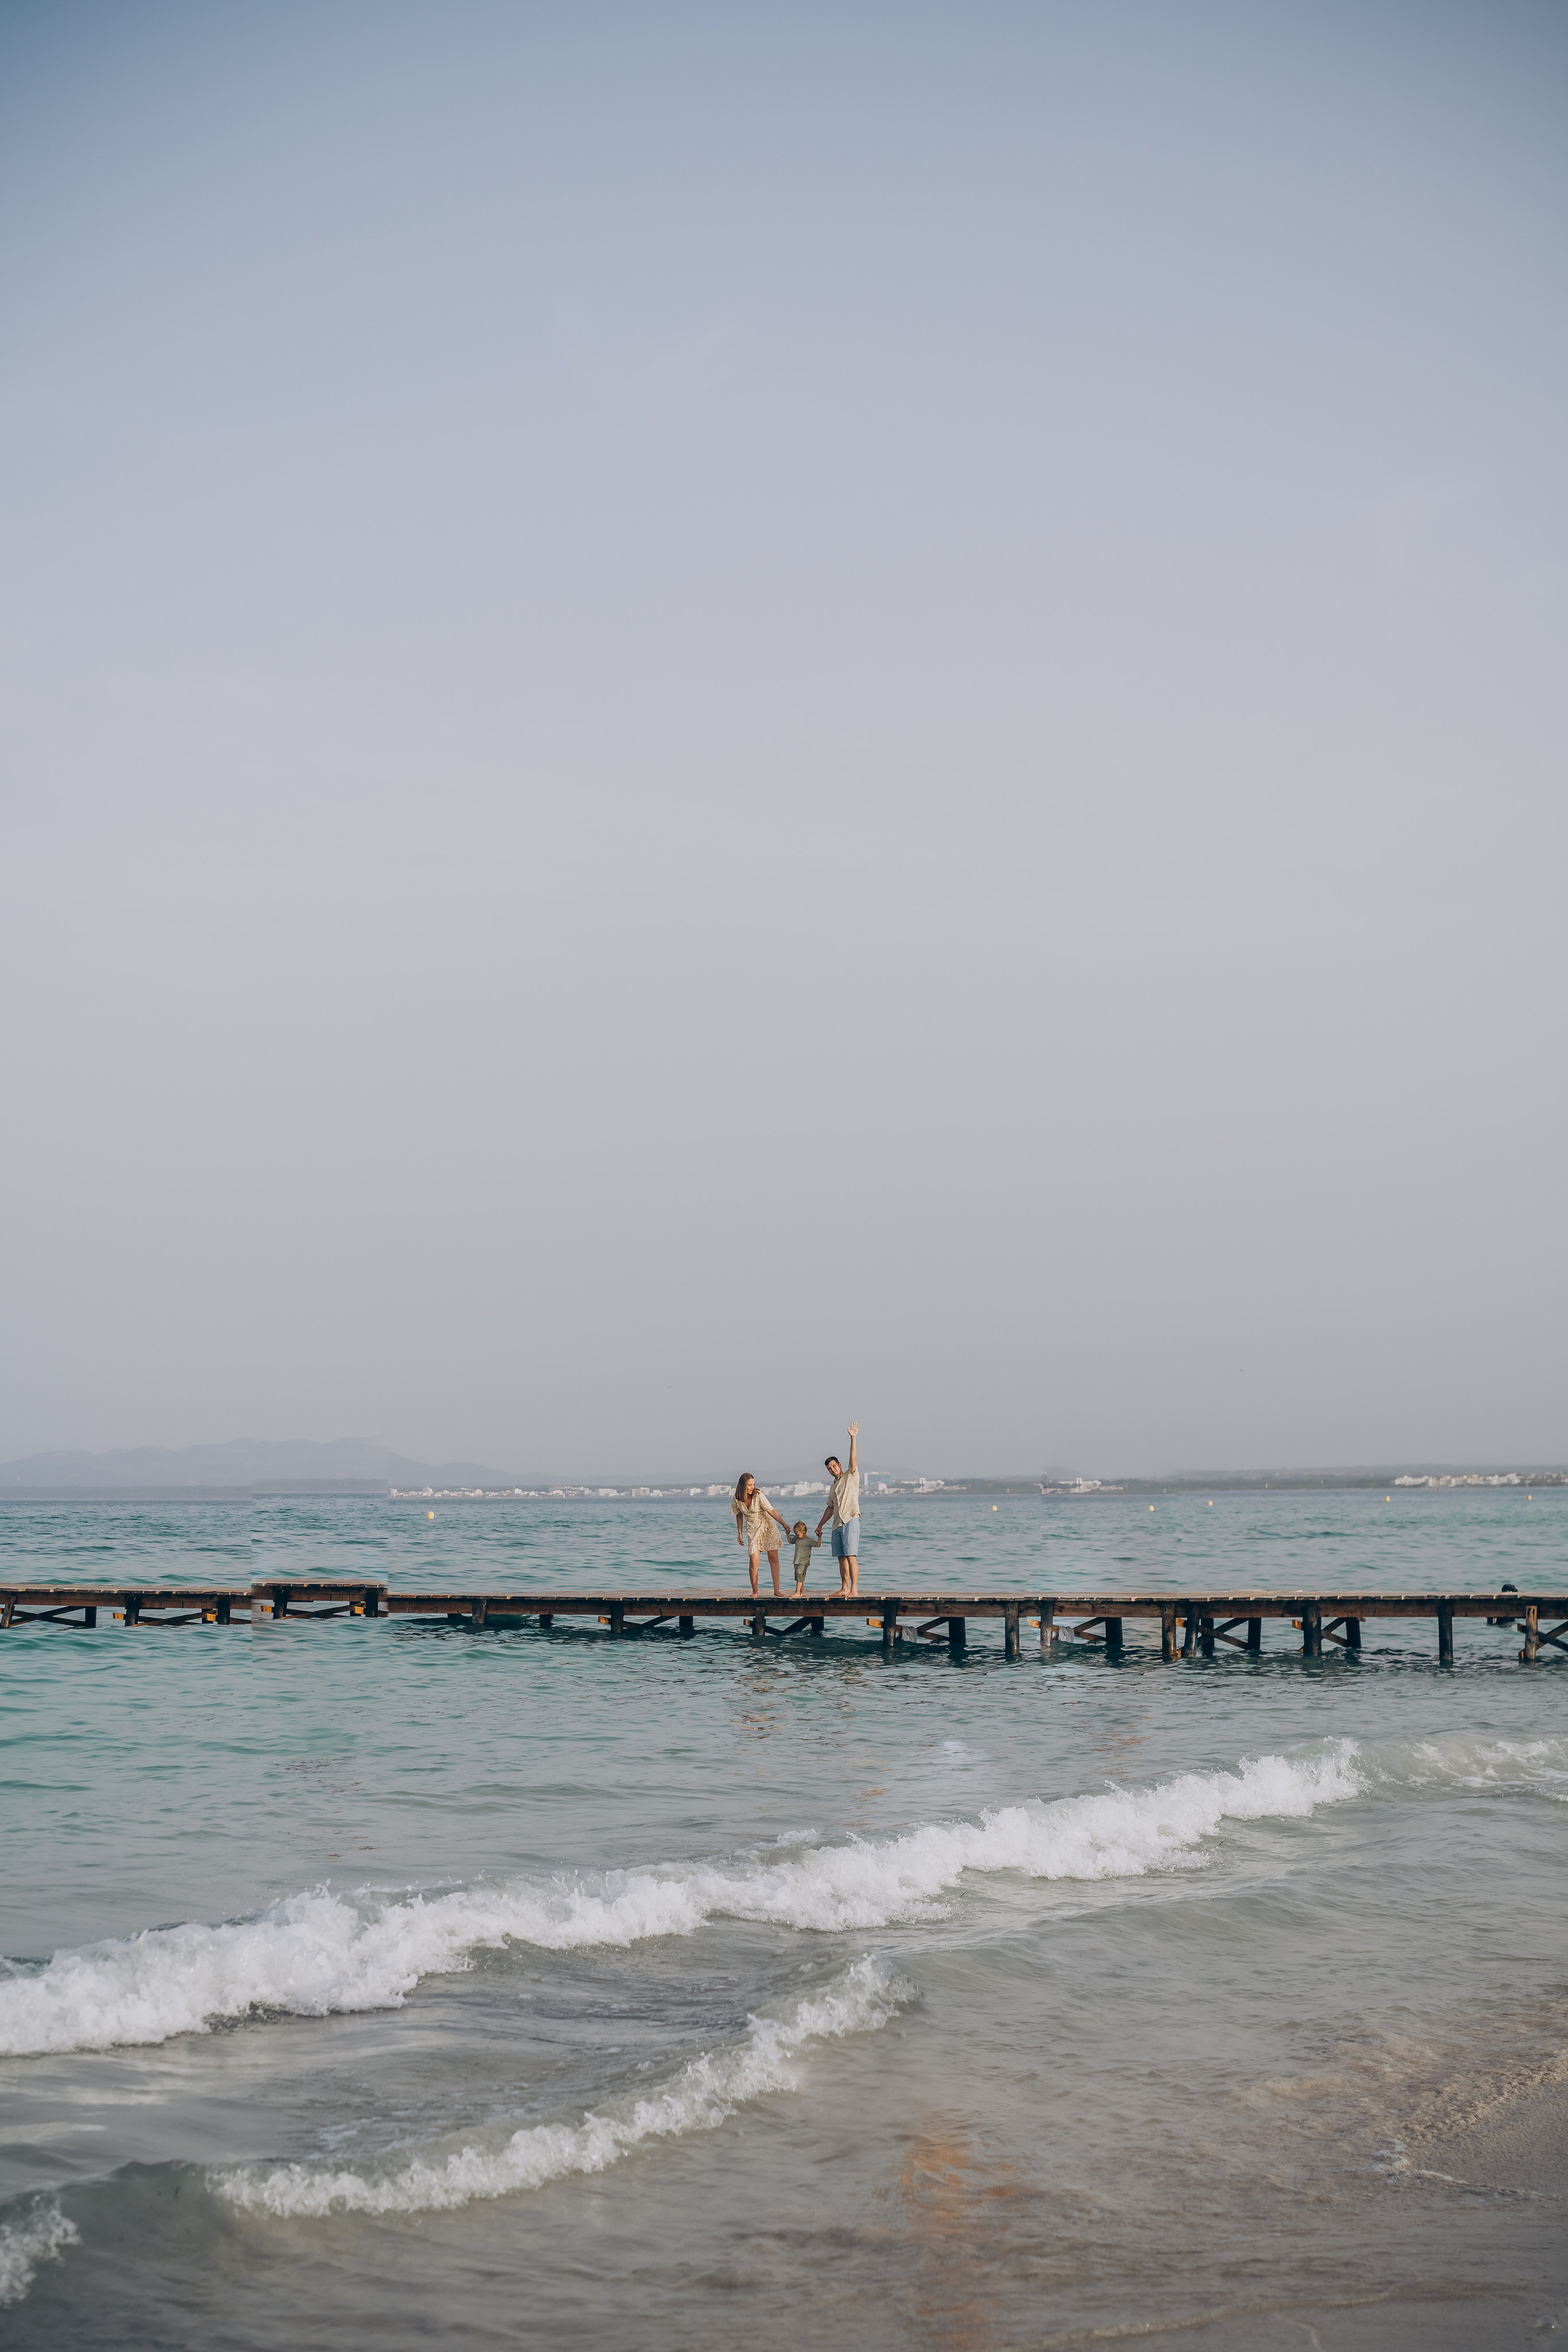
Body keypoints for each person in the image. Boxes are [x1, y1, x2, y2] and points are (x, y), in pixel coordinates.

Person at [815, 1421, 860, 1595]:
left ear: (840, 1465)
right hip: (837, 1524)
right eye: (829, 1468)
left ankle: (854, 1590)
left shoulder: (851, 1476)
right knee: (841, 1558)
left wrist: (853, 1438)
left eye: (834, 1466)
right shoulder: (834, 1486)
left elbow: (853, 1458)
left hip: (850, 1519)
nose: (832, 1469)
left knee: (851, 1556)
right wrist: (820, 1526)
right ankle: (844, 1588)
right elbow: (830, 1508)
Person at [731, 1472, 790, 1596]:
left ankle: (776, 1590)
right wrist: (740, 1532)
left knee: (773, 1559)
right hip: (752, 1532)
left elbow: (771, 1511)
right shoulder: (737, 1499)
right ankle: (755, 1591)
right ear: (743, 1486)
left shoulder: (759, 1496)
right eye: (749, 1485)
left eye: (753, 1484)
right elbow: (739, 1514)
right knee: (753, 1561)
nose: (752, 1487)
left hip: (768, 1528)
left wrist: (784, 1524)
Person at [790, 1520, 820, 1594]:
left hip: (804, 1562)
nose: (796, 1536)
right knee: (798, 1578)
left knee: (800, 1576)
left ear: (804, 1533)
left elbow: (818, 1545)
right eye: (796, 1534)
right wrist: (787, 1534)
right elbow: (791, 1541)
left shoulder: (809, 1540)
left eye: (797, 1534)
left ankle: (797, 1592)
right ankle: (801, 1592)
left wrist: (819, 1537)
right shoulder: (797, 1539)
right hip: (796, 1561)